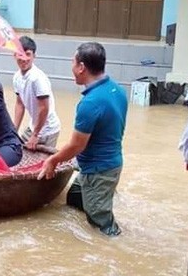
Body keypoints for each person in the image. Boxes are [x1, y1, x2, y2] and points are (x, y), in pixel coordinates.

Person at [38, 42, 127, 237]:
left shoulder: (90, 103)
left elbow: (77, 145)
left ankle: (116, 249)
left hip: (99, 170)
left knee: (100, 224)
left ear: (81, 67)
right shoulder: (117, 90)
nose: (72, 67)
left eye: (73, 62)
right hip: (105, 163)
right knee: (74, 200)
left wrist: (52, 160)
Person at [13, 35, 61, 150]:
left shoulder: (37, 78)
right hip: (33, 125)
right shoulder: (17, 77)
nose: (24, 59)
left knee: (41, 164)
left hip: (47, 130)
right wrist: (14, 130)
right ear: (14, 55)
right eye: (20, 54)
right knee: (16, 148)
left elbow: (44, 108)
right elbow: (20, 104)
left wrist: (35, 135)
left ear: (34, 56)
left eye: (28, 54)